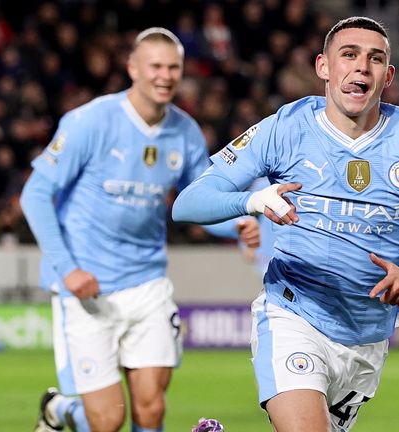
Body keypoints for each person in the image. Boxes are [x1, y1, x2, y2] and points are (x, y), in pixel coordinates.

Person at [173, 16, 399, 432]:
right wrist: (252, 200)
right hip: (293, 313)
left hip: (367, 336)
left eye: (375, 59)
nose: (362, 67)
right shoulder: (285, 128)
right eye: (349, 55)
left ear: (388, 75)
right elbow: (188, 203)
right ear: (323, 67)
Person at [20, 27, 259, 432]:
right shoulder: (90, 121)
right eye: (156, 67)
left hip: (147, 283)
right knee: (108, 420)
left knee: (151, 410)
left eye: (173, 68)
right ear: (133, 68)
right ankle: (60, 411)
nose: (165, 76)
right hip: (86, 285)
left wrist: (237, 223)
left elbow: (197, 203)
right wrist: (67, 269)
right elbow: (34, 195)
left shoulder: (184, 132)